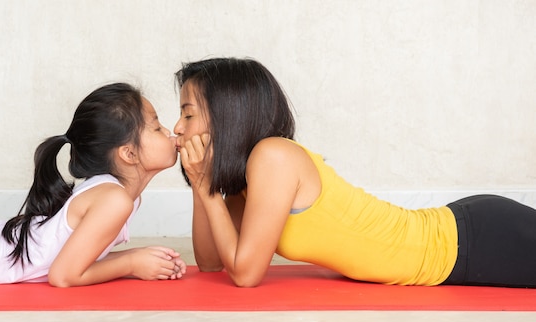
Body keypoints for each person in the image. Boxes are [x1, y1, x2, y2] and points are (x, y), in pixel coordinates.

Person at [173, 57, 536, 288]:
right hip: (460, 244)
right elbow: (210, 262)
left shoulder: (273, 157)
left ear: (228, 114)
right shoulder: (247, 180)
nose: (177, 126)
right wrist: (200, 185)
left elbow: (245, 274)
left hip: (470, 243)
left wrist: (207, 188)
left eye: (188, 114)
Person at [0, 83, 186, 286]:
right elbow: (63, 275)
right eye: (156, 126)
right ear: (129, 153)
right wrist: (131, 262)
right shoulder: (115, 199)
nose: (170, 131)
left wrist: (136, 257)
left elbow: (74, 258)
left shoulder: (120, 195)